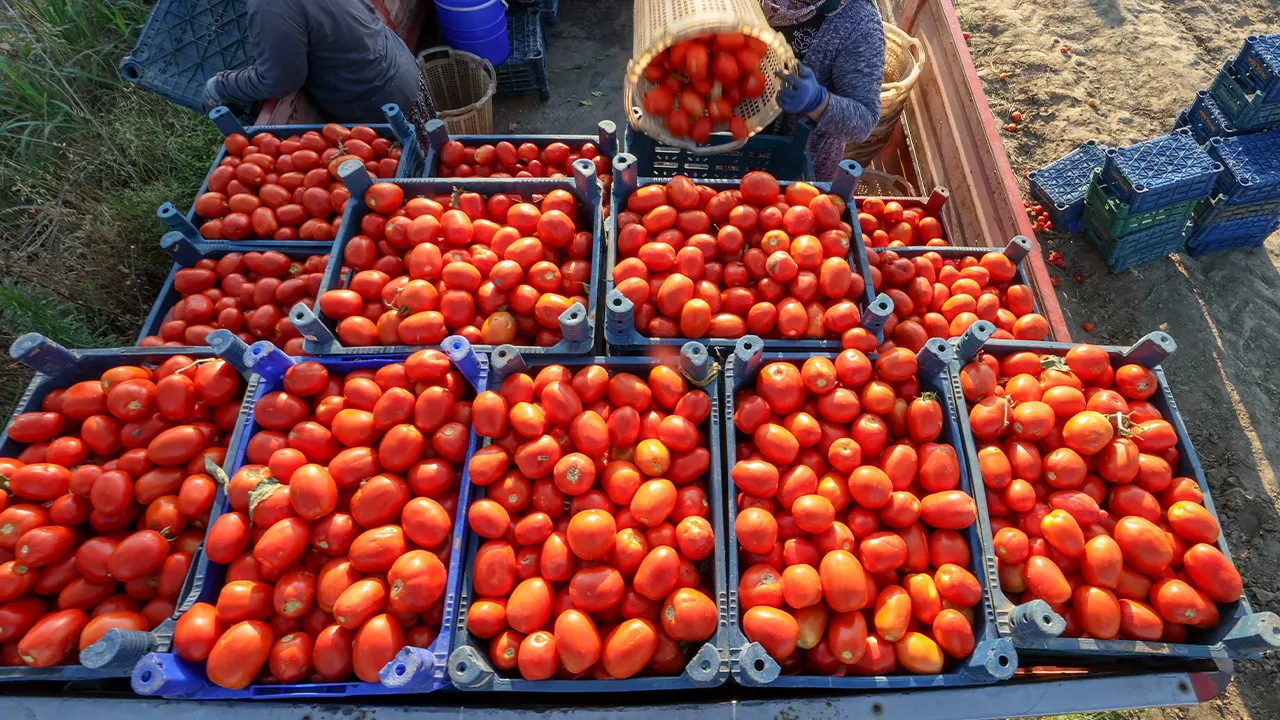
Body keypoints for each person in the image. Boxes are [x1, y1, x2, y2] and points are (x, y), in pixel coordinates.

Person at [201, 0, 435, 130]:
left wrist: (220, 86)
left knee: (419, 179)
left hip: (378, 101)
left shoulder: (270, 7)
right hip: (396, 64)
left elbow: (279, 79)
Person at [762, 0, 885, 180]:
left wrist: (818, 102)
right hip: (737, 138)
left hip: (797, 169)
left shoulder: (860, 24)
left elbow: (865, 119)